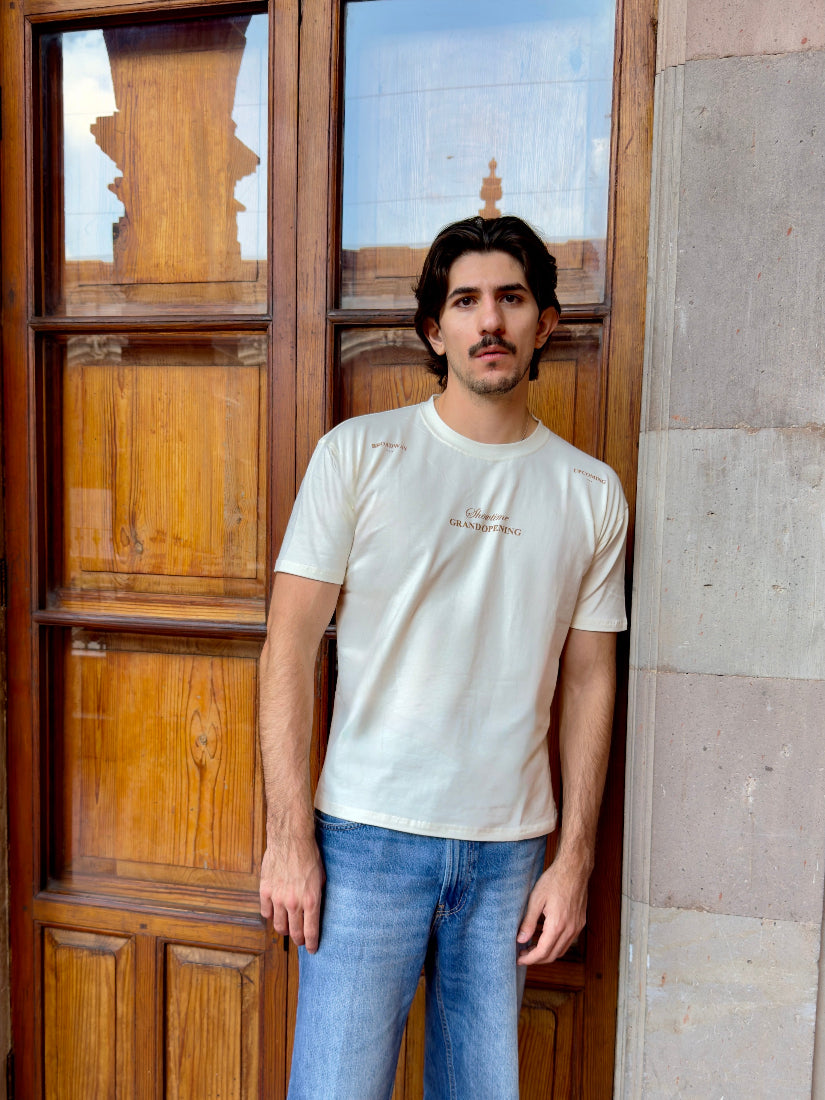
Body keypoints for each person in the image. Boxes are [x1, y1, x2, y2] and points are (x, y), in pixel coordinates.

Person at [259, 215, 628, 1100]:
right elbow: (288, 647)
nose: (488, 320)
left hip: (508, 855)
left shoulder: (591, 492)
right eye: (465, 301)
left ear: (544, 324)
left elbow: (588, 680)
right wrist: (287, 837)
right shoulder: (359, 455)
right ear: (435, 329)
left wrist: (571, 862)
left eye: (510, 298)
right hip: (363, 841)